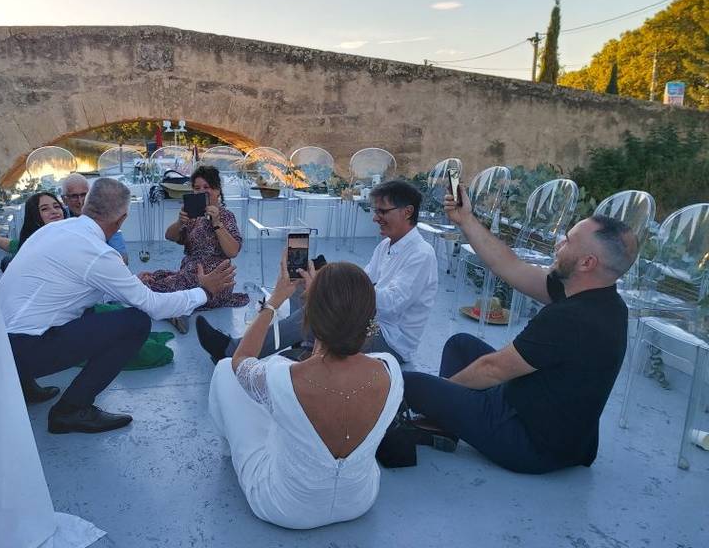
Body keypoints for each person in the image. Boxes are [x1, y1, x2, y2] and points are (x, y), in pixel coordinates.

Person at [399, 184, 639, 474]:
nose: (558, 244)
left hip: (529, 443)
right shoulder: (601, 299)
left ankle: (443, 421)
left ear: (587, 262)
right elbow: (509, 265)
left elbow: (493, 369)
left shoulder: (572, 319)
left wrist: (437, 399)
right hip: (559, 430)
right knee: (460, 344)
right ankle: (447, 427)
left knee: (409, 384)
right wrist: (466, 220)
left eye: (568, 241)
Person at [0, 178, 237, 434]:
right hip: (20, 352)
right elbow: (154, 307)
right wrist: (204, 291)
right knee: (135, 323)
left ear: (87, 204)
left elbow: (71, 287)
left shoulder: (52, 231)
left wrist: (129, 283)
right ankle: (71, 410)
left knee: (82, 308)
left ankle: (24, 385)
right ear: (122, 219)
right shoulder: (98, 253)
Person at [208, 255, 403, 529]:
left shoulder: (281, 376)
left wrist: (274, 302)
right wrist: (316, 307)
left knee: (225, 370)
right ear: (369, 319)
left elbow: (242, 359)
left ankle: (230, 451)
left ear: (310, 317)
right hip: (359, 500)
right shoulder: (390, 370)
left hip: (284, 506)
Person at [198, 179, 438, 365]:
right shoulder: (387, 245)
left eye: (382, 212)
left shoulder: (421, 254)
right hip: (366, 320)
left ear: (407, 212)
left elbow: (390, 304)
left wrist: (334, 287)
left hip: (388, 338)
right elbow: (364, 281)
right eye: (375, 211)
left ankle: (231, 351)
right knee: (299, 279)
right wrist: (329, 280)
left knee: (318, 312)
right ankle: (306, 343)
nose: (376, 218)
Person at [138, 165, 247, 332]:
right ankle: (177, 309)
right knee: (148, 278)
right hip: (189, 274)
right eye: (197, 188)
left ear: (217, 190)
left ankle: (176, 311)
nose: (201, 192)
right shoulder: (193, 216)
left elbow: (233, 251)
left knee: (152, 290)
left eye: (207, 187)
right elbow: (170, 236)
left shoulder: (225, 216)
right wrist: (180, 222)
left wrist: (216, 223)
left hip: (214, 280)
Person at [62, 173, 128, 263]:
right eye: (74, 196)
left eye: (83, 195)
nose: (80, 201)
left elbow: (122, 258)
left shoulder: (106, 217)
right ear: (64, 200)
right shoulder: (58, 218)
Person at [0, 191, 66, 255]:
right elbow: (19, 246)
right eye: (44, 209)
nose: (54, 211)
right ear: (34, 215)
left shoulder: (74, 234)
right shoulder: (35, 247)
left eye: (56, 206)